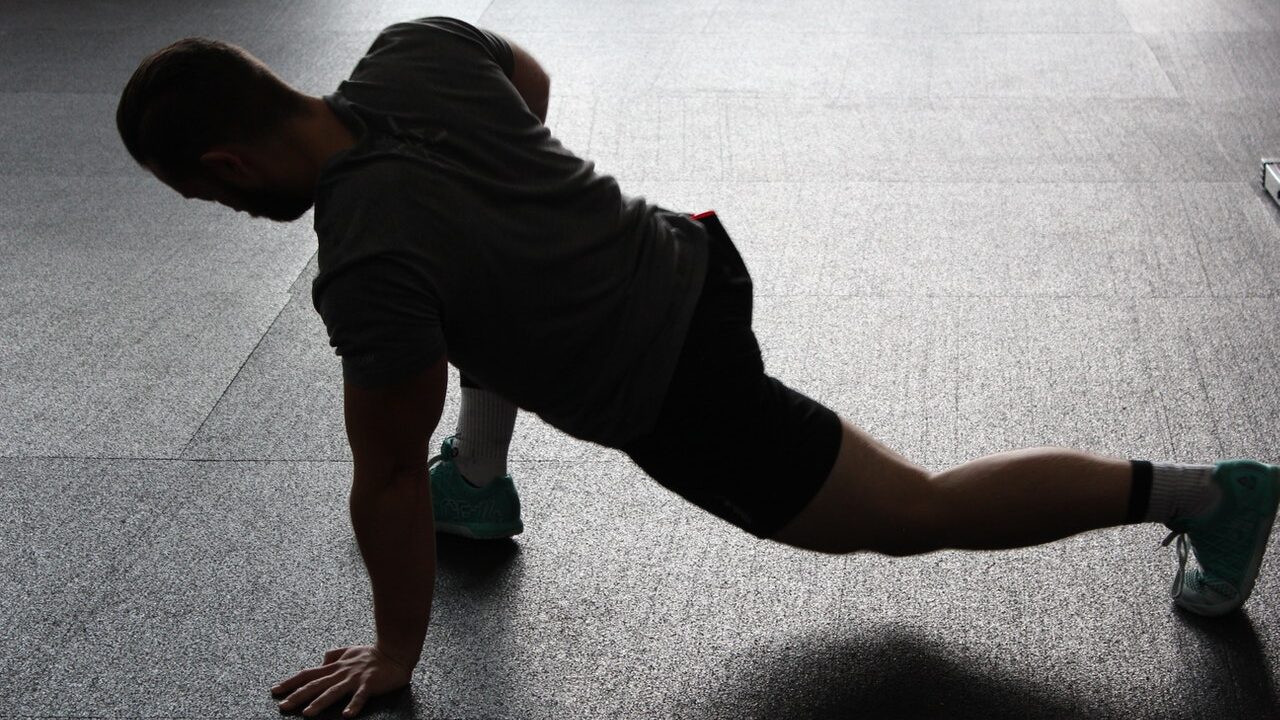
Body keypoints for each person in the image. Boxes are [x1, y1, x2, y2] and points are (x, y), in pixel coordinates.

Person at [116, 16, 1280, 719]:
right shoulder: (414, 49)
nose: (220, 209)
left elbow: (378, 479)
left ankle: (1204, 496)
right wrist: (519, 212)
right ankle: (478, 478)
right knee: (477, 295)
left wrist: (396, 652)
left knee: (912, 515)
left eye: (203, 195)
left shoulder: (366, 264)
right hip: (690, 249)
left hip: (677, 387)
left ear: (224, 160)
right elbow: (529, 90)